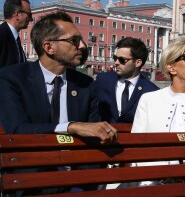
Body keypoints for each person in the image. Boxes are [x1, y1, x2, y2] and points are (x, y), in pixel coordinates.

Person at [0, 11, 117, 141]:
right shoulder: (12, 78)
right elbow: (17, 129)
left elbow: (94, 133)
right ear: (49, 47)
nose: (83, 46)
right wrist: (69, 127)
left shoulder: (85, 84)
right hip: (31, 158)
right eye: (74, 40)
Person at [94, 37, 159, 123]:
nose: (116, 62)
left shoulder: (151, 91)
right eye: (115, 58)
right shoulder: (103, 80)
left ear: (138, 63)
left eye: (122, 60)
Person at [0, 0, 33, 68]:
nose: (31, 19)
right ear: (17, 14)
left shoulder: (15, 39)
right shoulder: (2, 35)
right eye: (29, 14)